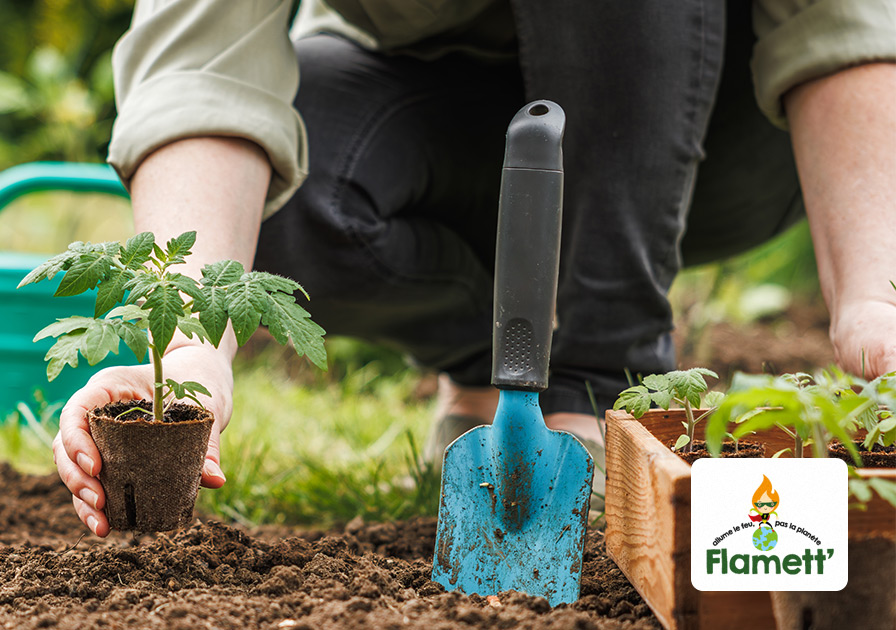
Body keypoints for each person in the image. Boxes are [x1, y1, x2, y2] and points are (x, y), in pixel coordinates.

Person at [53, 0, 896, 537]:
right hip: (443, 112)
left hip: (717, 131)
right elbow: (202, 65)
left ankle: (597, 384)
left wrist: (873, 298)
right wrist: (197, 350)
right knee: (299, 196)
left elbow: (844, 24)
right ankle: (501, 378)